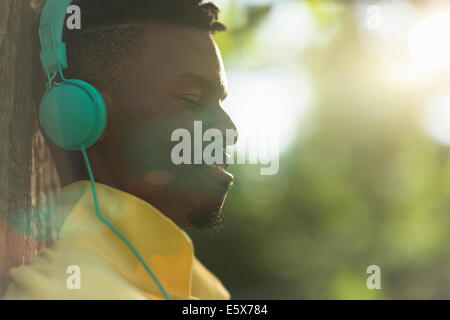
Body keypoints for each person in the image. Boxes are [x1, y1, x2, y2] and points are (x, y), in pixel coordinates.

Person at [3, 0, 238, 300]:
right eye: (192, 99)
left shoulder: (205, 289)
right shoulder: (63, 292)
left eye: (219, 103)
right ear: (80, 116)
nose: (230, 131)